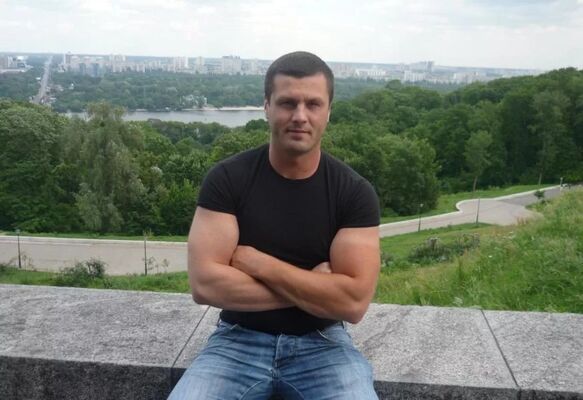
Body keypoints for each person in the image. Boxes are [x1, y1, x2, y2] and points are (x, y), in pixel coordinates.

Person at [168, 51, 380, 400]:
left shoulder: (353, 192)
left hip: (323, 345)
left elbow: (353, 303)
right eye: (287, 103)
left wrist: (258, 264)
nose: (300, 116)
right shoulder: (228, 179)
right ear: (266, 106)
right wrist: (316, 288)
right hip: (237, 341)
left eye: (313, 104)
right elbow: (205, 285)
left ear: (329, 111)